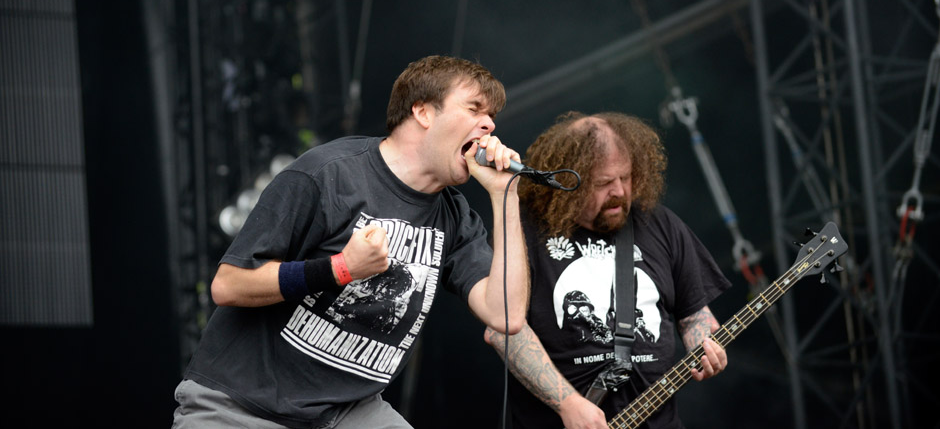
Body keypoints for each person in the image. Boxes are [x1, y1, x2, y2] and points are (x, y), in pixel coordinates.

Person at [172, 55, 529, 429]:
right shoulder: (327, 174)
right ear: (423, 111)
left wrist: (507, 198)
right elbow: (228, 285)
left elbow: (506, 314)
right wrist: (341, 268)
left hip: (347, 412)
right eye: (474, 109)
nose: (489, 125)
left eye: (491, 116)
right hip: (242, 407)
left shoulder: (454, 216)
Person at [485, 112, 731, 429]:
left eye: (625, 178)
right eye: (603, 183)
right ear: (567, 182)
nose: (619, 192)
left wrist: (704, 344)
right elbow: (503, 330)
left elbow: (695, 314)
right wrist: (567, 404)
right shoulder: (524, 231)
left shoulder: (659, 223)